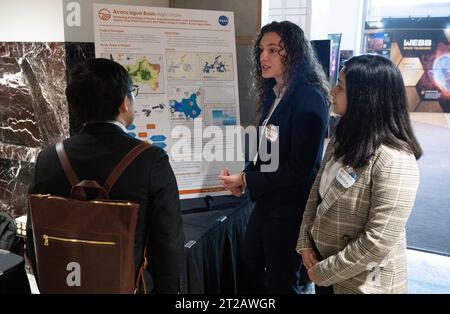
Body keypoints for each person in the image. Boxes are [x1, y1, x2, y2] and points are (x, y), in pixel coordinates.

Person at [26, 58, 185, 293]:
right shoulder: (151, 160)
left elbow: (34, 237)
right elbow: (168, 242)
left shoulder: (48, 159)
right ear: (124, 103)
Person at [296, 54, 423, 294]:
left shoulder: (394, 159)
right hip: (325, 271)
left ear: (366, 98)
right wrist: (305, 242)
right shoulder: (343, 138)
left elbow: (377, 241)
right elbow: (317, 195)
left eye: (341, 87)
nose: (332, 91)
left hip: (365, 283)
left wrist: (324, 271)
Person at [219, 21, 330, 293]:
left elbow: (299, 169)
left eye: (273, 50)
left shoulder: (308, 98)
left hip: (290, 207)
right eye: (261, 50)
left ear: (293, 53)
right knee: (250, 259)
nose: (263, 57)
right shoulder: (274, 95)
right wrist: (243, 178)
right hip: (269, 201)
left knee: (282, 277)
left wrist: (247, 179)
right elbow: (265, 151)